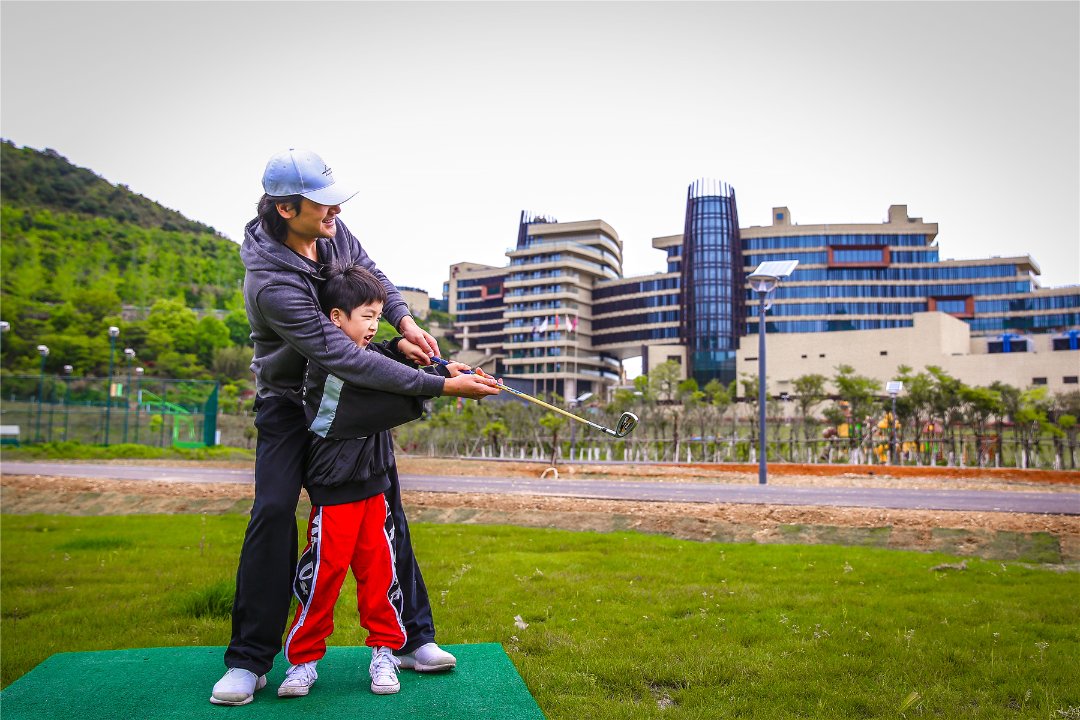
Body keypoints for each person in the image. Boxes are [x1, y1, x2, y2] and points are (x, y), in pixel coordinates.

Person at [211, 149, 500, 706]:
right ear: (286, 207)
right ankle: (249, 661)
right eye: (323, 203)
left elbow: (376, 281)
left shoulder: (334, 233)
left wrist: (407, 323)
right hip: (289, 406)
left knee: (386, 508)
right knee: (272, 513)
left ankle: (414, 640)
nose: (336, 210)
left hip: (348, 401)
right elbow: (343, 356)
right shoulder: (271, 282)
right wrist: (441, 385)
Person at [277, 264, 477, 698]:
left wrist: (429, 361)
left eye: (377, 315)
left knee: (380, 578)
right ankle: (303, 661)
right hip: (335, 500)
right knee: (322, 581)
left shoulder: (369, 354)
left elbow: (385, 362)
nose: (373, 325)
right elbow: (378, 401)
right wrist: (446, 387)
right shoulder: (326, 368)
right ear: (335, 318)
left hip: (374, 495)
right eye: (366, 316)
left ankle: (386, 652)